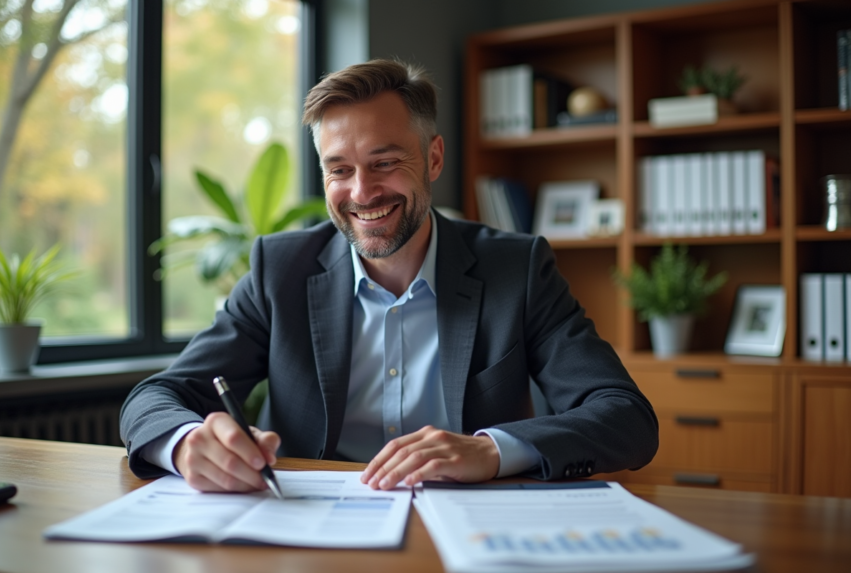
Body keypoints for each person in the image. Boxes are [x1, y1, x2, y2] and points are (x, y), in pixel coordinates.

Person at [120, 59, 658, 493]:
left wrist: (490, 449)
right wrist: (188, 441)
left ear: (434, 158)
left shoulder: (516, 269)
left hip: (469, 529)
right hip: (313, 530)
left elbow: (625, 416)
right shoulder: (278, 270)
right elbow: (157, 396)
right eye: (340, 169)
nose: (361, 192)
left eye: (384, 162)